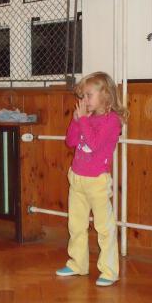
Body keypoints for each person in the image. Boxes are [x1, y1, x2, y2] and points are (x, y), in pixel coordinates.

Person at [55, 71, 128, 287]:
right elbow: (70, 141)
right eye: (83, 96)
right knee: (76, 225)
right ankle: (78, 264)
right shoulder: (86, 118)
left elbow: (95, 144)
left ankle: (109, 271)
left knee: (104, 227)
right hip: (77, 178)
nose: (84, 100)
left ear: (105, 95)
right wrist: (76, 121)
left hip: (97, 182)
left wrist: (84, 120)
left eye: (88, 95)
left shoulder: (112, 121)